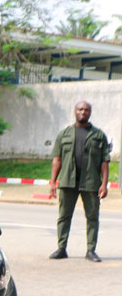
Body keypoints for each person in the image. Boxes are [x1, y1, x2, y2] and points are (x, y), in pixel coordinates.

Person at [48, 100, 111, 262]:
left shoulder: (98, 135)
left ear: (90, 112)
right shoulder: (64, 134)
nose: (83, 112)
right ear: (75, 111)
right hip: (68, 182)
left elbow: (105, 161)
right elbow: (57, 159)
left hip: (90, 183)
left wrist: (104, 184)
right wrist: (52, 182)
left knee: (92, 217)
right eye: (80, 109)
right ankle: (61, 248)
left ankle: (91, 250)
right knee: (64, 216)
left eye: (86, 110)